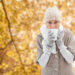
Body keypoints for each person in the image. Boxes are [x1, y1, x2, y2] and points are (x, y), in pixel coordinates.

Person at [36, 6, 75, 75]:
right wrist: (48, 47)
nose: (53, 26)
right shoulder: (40, 37)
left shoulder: (68, 35)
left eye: (56, 22)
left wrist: (61, 45)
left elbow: (70, 59)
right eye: (49, 22)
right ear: (46, 23)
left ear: (60, 22)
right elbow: (41, 63)